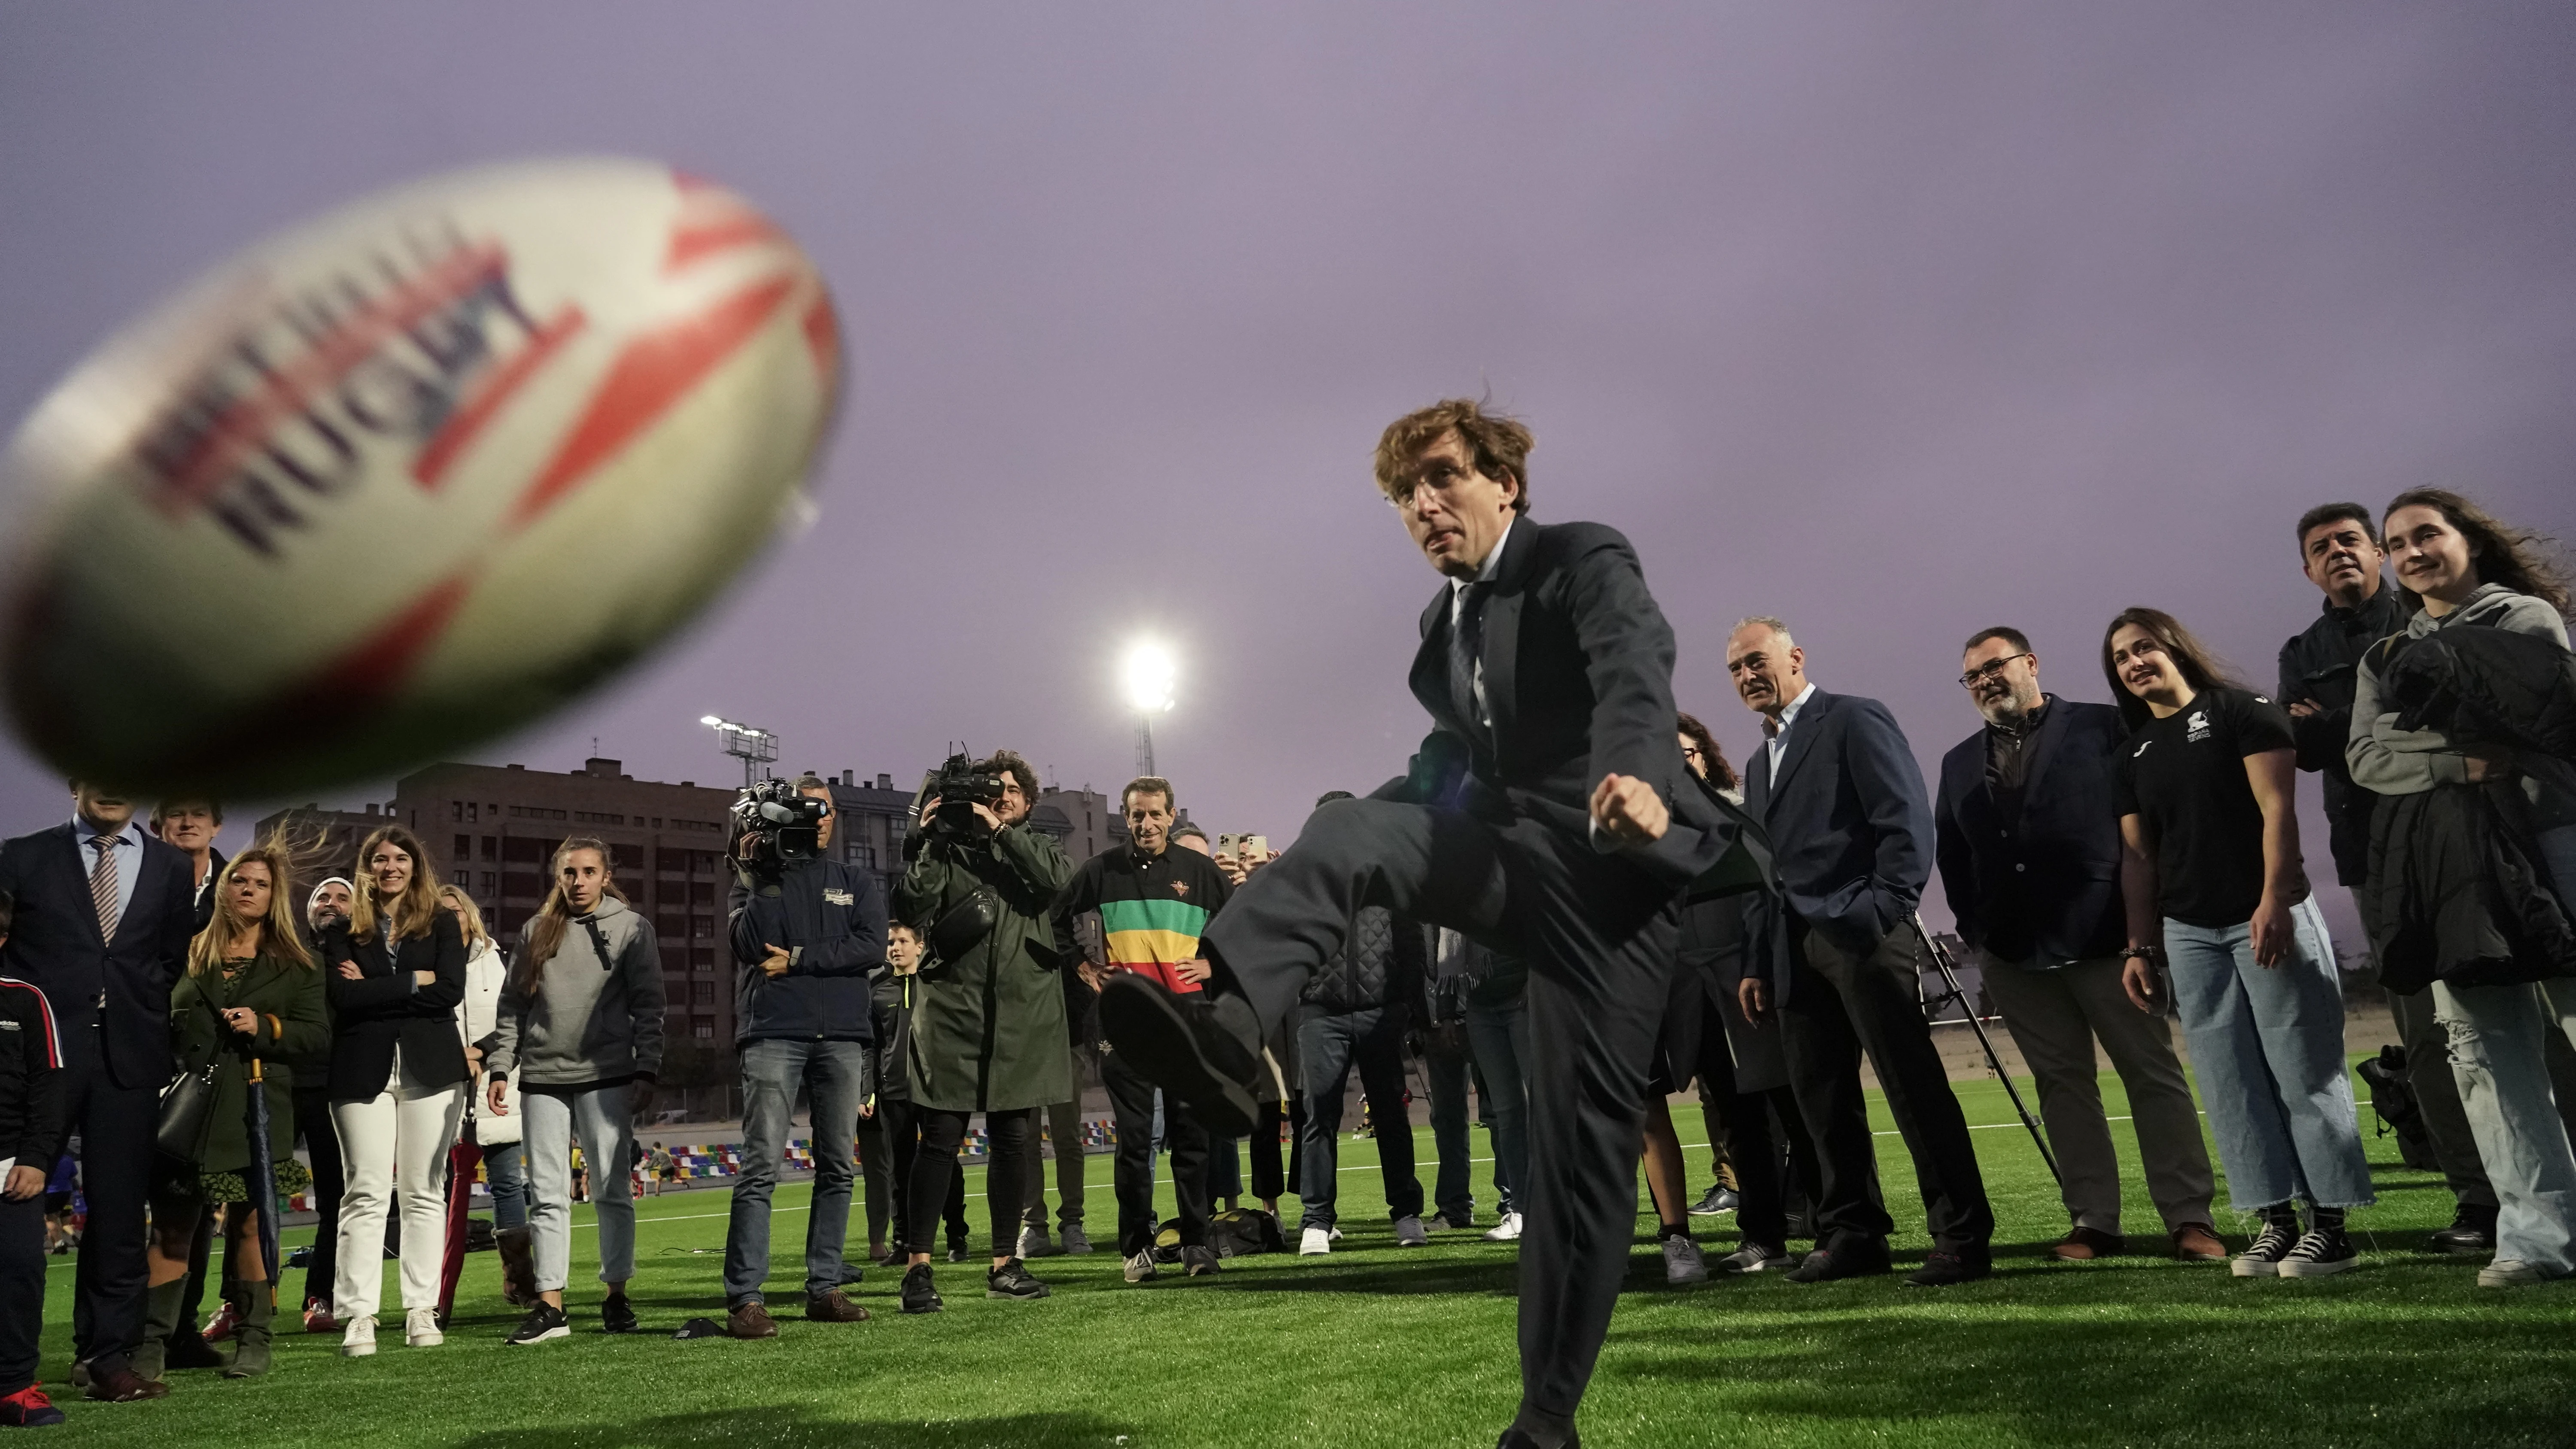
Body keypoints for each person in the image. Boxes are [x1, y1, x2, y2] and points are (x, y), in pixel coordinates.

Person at [1099, 400, 1737, 1449]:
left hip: (1615, 877)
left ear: (1505, 483)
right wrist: (1365, 832)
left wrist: (1635, 771)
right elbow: (1449, 773)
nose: (1424, 506)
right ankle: (1222, 1033)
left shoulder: (1580, 559)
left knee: (1582, 1157)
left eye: (1442, 479)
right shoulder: (1442, 632)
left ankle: (1546, 1419)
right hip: (1514, 865)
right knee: (1350, 828)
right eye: (1404, 496)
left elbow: (1633, 663)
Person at [1932, 627, 2223, 1262]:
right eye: (1972, 675)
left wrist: (2145, 933)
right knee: (2061, 1085)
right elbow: (1953, 854)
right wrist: (1976, 927)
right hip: (2015, 952)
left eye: (1995, 666)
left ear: (2031, 662)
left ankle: (2189, 1216)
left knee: (2152, 1076)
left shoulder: (2105, 726)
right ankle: (2094, 1219)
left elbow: (2146, 829)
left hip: (2109, 939)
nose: (1985, 680)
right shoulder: (1958, 762)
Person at [2348, 489, 2576, 1286]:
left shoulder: (2524, 619)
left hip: (2551, 839)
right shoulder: (2382, 656)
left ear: (2467, 541)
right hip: (2450, 863)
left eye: (2427, 535)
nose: (2411, 552)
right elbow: (2365, 760)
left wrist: (2411, 735)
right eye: (2396, 543)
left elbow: (2516, 716)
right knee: (2485, 1051)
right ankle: (2539, 1241)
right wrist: (2452, 762)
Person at [1728, 617, 1996, 1287]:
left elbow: (1905, 823)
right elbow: (1767, 870)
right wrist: (1760, 960)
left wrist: (1879, 912)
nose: (1746, 676)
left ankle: (1960, 1234)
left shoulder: (1852, 718)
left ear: (1795, 656)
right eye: (1734, 669)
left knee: (1911, 1085)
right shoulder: (1759, 763)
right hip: (1793, 948)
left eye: (1756, 660)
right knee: (1822, 1098)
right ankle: (1852, 1231)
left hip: (1861, 932)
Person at [2106, 607, 2374, 1276]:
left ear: (2176, 648)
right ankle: (2275, 1219)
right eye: (2121, 658)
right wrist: (2141, 947)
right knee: (2230, 1081)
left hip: (2265, 912)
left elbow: (2278, 809)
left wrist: (2274, 899)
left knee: (2302, 1068)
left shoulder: (2242, 710)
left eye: (2144, 647)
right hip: (2190, 932)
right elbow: (2139, 857)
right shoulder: (2132, 751)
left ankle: (2330, 1223)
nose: (2135, 663)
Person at [2278, 503, 2499, 1258]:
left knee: (2515, 1008)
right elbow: (2303, 747)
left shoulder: (2430, 615)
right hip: (2375, 859)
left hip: (2472, 835)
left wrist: (2340, 718)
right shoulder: (2301, 648)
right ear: (2307, 568)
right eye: (2319, 548)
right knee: (2428, 1036)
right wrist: (2360, 723)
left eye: (2349, 540)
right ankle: (2478, 1201)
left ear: (2377, 550)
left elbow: (2449, 712)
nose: (2336, 554)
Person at [0, 783, 197, 1403]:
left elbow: (168, 958)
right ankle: (11, 1366)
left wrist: (130, 1011)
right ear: (73, 784)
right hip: (40, 1057)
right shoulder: (21, 855)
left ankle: (107, 1360)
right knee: (13, 1198)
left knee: (117, 1219)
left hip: (129, 1057)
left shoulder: (169, 863)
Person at [137, 839, 326, 1381]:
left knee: (248, 1228)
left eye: (261, 884)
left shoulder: (297, 964)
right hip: (187, 1113)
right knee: (172, 1230)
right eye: (240, 881)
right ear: (224, 890)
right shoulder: (190, 951)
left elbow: (316, 1036)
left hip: (256, 1109)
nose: (249, 890)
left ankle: (255, 1340)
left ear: (275, 897)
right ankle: (151, 1347)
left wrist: (266, 1028)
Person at [892, 751, 1071, 1312]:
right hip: (952, 1011)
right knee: (939, 1139)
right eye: (993, 788)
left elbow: (1053, 883)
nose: (1002, 794)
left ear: (1028, 802)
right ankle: (918, 1266)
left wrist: (997, 831)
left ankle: (1004, 1261)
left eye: (1012, 789)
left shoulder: (1039, 846)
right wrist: (930, 840)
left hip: (1023, 1016)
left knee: (1015, 1141)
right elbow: (910, 903)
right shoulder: (947, 845)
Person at [1050, 777, 1237, 1281]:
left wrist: (1213, 966)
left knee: (1191, 1139)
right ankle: (1137, 1247)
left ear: (1171, 815)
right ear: (1127, 818)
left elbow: (1242, 925)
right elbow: (1055, 917)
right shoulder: (1103, 869)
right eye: (1136, 815)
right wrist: (1086, 968)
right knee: (1135, 1143)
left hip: (1188, 1022)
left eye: (1155, 814)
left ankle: (1198, 1243)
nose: (1146, 824)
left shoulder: (1200, 871)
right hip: (1126, 1024)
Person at [722, 774, 885, 1338]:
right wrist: (760, 876)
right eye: (805, 808)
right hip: (773, 1031)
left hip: (842, 1034)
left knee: (838, 1165)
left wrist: (797, 958)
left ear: (834, 818)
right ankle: (746, 1297)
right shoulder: (757, 878)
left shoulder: (855, 879)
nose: (817, 818)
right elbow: (746, 946)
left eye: (826, 809)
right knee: (761, 1164)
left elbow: (870, 945)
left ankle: (824, 1288)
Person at [486, 838, 663, 1343]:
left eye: (589, 872)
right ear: (558, 877)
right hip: (541, 1077)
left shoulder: (632, 928)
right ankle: (551, 1307)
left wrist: (647, 1068)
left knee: (610, 1190)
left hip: (607, 1073)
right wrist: (502, 1067)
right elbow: (512, 1008)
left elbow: (650, 1006)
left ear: (606, 876)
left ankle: (616, 1297)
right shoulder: (534, 931)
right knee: (546, 1195)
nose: (579, 881)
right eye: (570, 873)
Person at [1653, 713, 1802, 1277]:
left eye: (1686, 753)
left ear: (1707, 755)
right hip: (1692, 992)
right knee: (1737, 1115)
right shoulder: (1654, 829)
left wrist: (1757, 965)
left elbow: (1764, 897)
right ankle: (1764, 1234)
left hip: (1747, 978)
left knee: (1790, 1103)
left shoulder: (1737, 806)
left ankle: (1831, 1221)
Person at [323, 825, 468, 1357]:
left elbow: (450, 991)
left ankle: (420, 1309)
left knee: (423, 1191)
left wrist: (375, 989)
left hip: (431, 1068)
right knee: (364, 1191)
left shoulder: (443, 922)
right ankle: (359, 1316)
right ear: (367, 868)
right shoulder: (342, 929)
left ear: (415, 866)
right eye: (380, 859)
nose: (391, 867)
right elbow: (342, 997)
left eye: (401, 858)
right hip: (362, 1069)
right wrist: (414, 982)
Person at [1287, 791, 1430, 1258]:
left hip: (1380, 1011)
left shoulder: (1388, 877)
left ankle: (1406, 1212)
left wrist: (1407, 1006)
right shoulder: (1303, 880)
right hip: (1320, 1013)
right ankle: (1317, 1219)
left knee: (1391, 1115)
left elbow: (1411, 945)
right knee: (1317, 1116)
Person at [150, 799, 230, 1359]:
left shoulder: (240, 885)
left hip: (211, 1058)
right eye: (175, 813)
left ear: (216, 824)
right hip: (139, 1049)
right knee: (125, 1202)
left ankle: (181, 1328)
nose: (187, 821)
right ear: (158, 825)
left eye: (198, 812)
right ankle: (110, 1336)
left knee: (197, 1201)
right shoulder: (135, 881)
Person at [0, 891, 71, 1428]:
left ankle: (14, 1386)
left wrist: (36, 1157)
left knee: (20, 1272)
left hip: (10, 1165)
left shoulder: (25, 999)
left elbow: (50, 1087)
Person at [436, 887, 518, 1324]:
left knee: (507, 1182)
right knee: (444, 1189)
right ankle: (437, 1289)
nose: (451, 919)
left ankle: (518, 1279)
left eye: (456, 911)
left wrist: (482, 1053)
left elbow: (512, 1021)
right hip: (446, 1085)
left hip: (496, 1085)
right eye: (441, 913)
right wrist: (455, 1056)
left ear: (470, 915)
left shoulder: (494, 959)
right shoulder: (427, 958)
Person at [870, 921, 971, 1268]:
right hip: (894, 1091)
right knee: (899, 1169)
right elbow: (872, 1046)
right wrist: (867, 1090)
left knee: (945, 1164)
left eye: (902, 941)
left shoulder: (937, 986)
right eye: (890, 942)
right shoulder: (878, 990)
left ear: (920, 946)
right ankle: (904, 1241)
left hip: (935, 1089)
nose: (895, 947)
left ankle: (957, 1236)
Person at [293, 878, 353, 1333]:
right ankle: (240, 1300)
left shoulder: (362, 955)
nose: (330, 904)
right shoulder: (286, 949)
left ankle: (321, 1296)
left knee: (335, 1199)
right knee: (247, 1198)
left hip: (332, 1087)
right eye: (322, 898)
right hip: (277, 1081)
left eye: (341, 898)